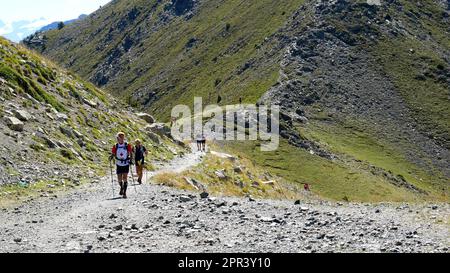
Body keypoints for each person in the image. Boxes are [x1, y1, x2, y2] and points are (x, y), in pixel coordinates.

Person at [110, 132, 133, 199]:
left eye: (121, 137)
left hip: (126, 163)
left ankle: (124, 193)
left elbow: (130, 153)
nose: (119, 139)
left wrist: (131, 160)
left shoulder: (127, 145)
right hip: (118, 163)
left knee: (125, 178)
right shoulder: (115, 146)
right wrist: (111, 156)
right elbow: (113, 153)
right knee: (119, 179)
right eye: (118, 138)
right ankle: (122, 187)